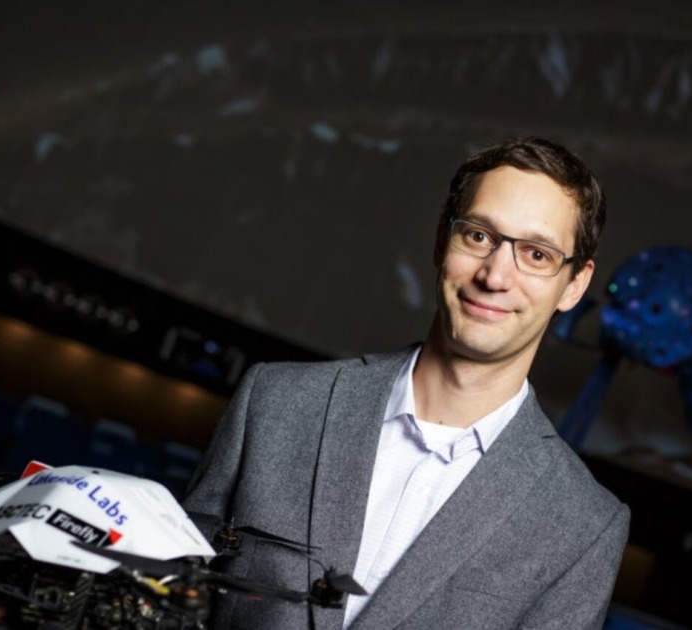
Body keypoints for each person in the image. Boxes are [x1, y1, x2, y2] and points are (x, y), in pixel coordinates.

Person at [183, 137, 630, 629]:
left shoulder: (584, 527)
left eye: (537, 254)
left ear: (575, 285)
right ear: (442, 239)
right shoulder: (275, 404)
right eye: (478, 235)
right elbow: (167, 597)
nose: (496, 276)